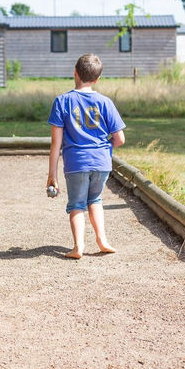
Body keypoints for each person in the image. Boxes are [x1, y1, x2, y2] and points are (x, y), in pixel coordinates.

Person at [46, 53, 126, 259]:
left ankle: (78, 247)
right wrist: (103, 148)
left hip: (76, 163)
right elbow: (120, 139)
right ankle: (102, 240)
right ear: (97, 79)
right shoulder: (105, 102)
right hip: (101, 162)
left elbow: (56, 143)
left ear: (75, 72)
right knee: (95, 200)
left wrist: (52, 175)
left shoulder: (62, 101)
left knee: (76, 205)